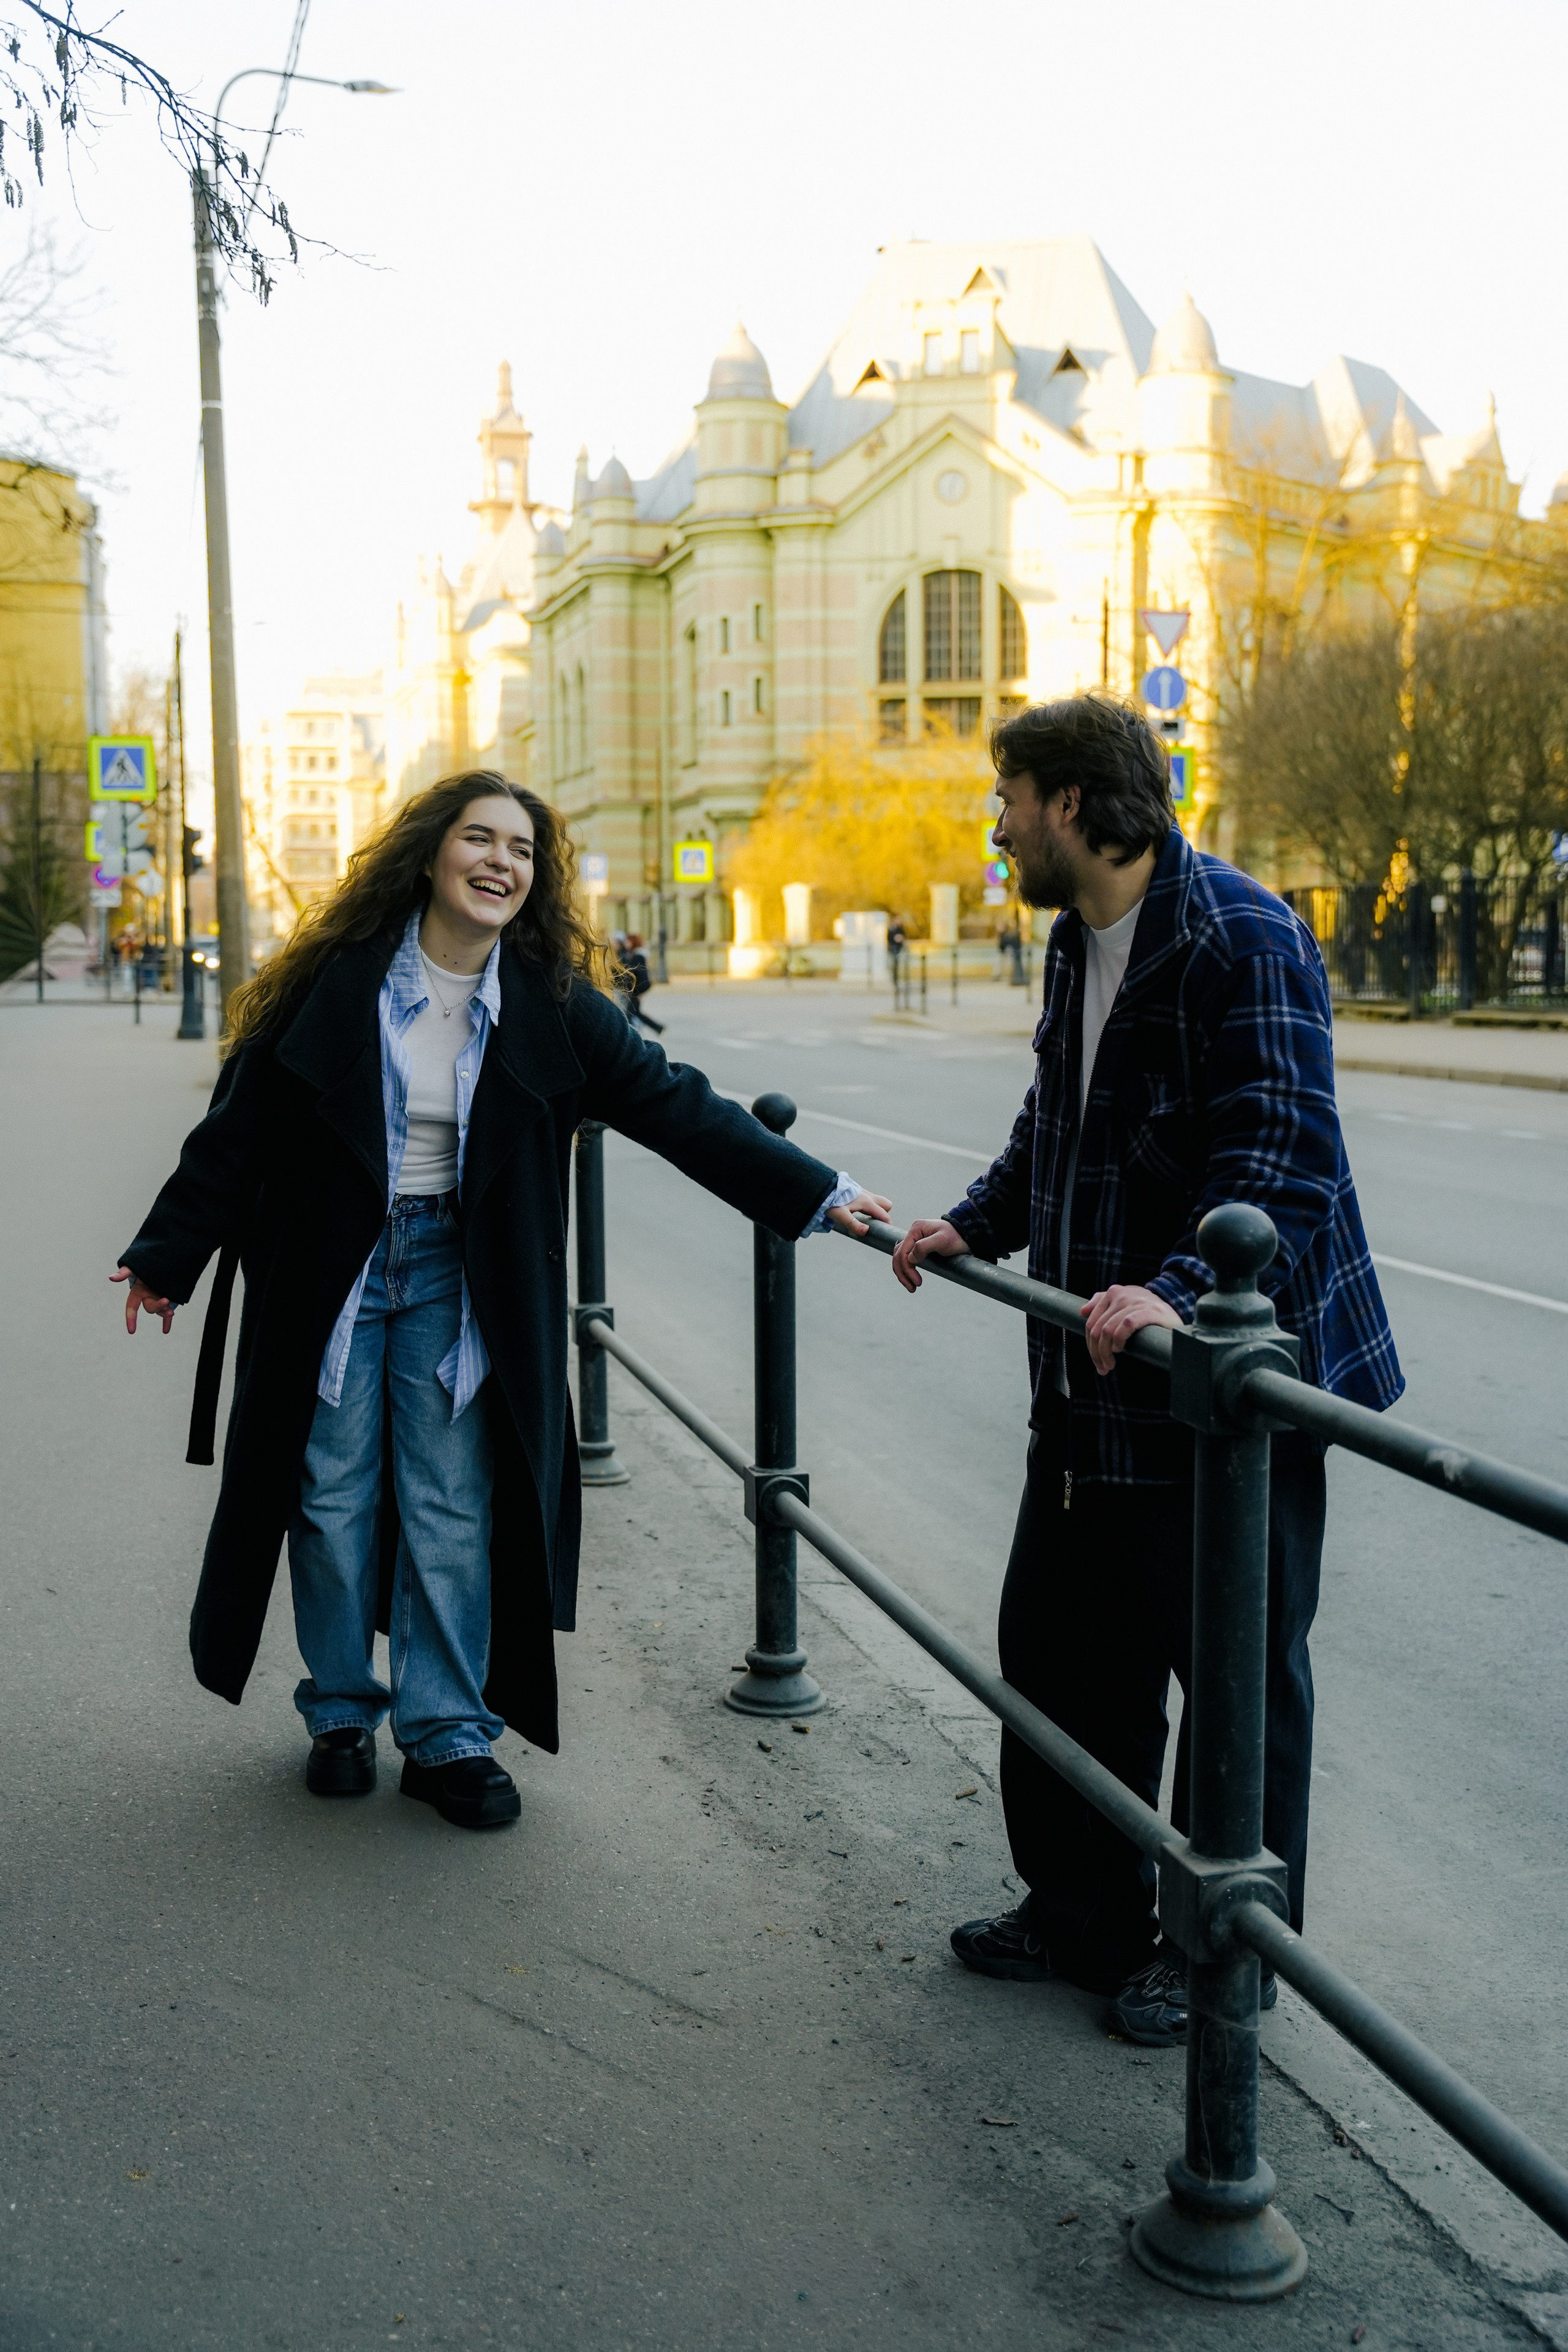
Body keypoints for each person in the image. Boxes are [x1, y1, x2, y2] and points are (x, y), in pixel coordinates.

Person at [112, 772, 889, 1831]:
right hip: (331, 1273)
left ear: (535, 877)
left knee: (449, 1500)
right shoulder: (340, 983)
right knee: (330, 1497)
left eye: (521, 851)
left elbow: (677, 1106)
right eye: (479, 839)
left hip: (458, 1278)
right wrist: (167, 1252)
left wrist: (816, 1191)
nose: (500, 863)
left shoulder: (552, 1005)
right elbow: (241, 1123)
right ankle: (341, 1713)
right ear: (431, 855)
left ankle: (445, 1735)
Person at [890, 698, 1400, 2045]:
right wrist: (972, 1223)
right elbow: (1051, 1123)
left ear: (1066, 804)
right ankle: (1080, 1913)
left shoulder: (1239, 935)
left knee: (1230, 1683)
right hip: (1092, 1375)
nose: (992, 828)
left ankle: (1212, 1947)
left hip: (1221, 1399)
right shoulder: (1076, 941)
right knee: (1058, 1653)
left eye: (1004, 801)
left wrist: (1170, 1296)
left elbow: (1279, 1157)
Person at [621, 933, 663, 1035]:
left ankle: (628, 1035)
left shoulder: (638, 956)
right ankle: (658, 1028)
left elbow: (642, 976)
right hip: (634, 990)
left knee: (630, 1014)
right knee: (636, 1013)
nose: (626, 943)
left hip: (636, 990)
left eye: (629, 941)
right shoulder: (632, 955)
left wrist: (639, 991)